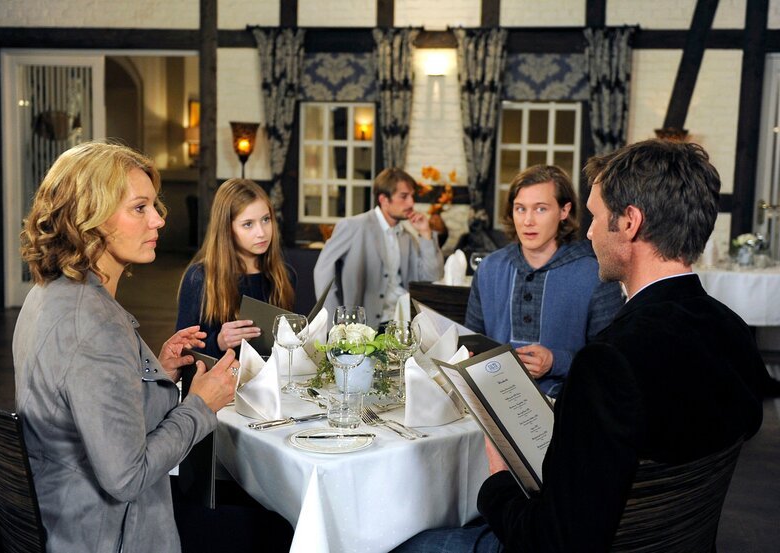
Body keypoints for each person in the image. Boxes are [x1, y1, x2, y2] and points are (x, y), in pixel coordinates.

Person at [394, 139, 765, 552]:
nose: (588, 232)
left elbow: (552, 541)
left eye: (595, 216)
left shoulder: (609, 363)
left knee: (395, 542)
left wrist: (497, 479)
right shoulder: (733, 331)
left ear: (630, 223)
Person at [13, 142, 240, 553]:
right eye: (139, 208)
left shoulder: (50, 294)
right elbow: (127, 477)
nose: (158, 220)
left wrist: (158, 372)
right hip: (105, 536)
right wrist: (202, 406)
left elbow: (86, 406)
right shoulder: (94, 322)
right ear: (89, 218)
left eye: (155, 206)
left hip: (60, 518)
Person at [464, 165, 623, 397]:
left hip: (566, 406)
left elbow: (611, 359)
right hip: (492, 402)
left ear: (564, 211)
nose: (528, 221)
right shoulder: (490, 268)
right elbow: (471, 342)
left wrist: (555, 361)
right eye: (520, 209)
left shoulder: (595, 272)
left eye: (540, 209)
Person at [176, 178, 296, 357]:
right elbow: (180, 351)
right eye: (248, 224)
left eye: (266, 220)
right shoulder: (200, 278)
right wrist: (218, 342)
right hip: (219, 382)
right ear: (227, 229)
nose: (261, 232)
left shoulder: (283, 275)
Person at [313, 167, 444, 326]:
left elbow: (432, 276)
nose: (411, 202)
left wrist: (425, 233)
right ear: (384, 200)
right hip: (362, 326)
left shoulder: (406, 237)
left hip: (402, 325)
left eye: (412, 196)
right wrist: (334, 321)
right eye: (404, 196)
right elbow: (322, 271)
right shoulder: (353, 226)